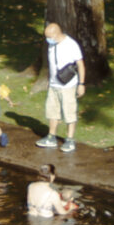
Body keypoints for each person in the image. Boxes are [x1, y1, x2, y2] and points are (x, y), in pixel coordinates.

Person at [38, 21, 86, 152]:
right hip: (54, 84)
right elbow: (52, 63)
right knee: (52, 111)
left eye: (49, 37)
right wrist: (49, 79)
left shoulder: (71, 45)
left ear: (56, 34)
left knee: (69, 112)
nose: (47, 40)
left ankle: (70, 140)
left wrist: (81, 84)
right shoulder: (52, 45)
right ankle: (51, 137)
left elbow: (80, 64)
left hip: (68, 86)